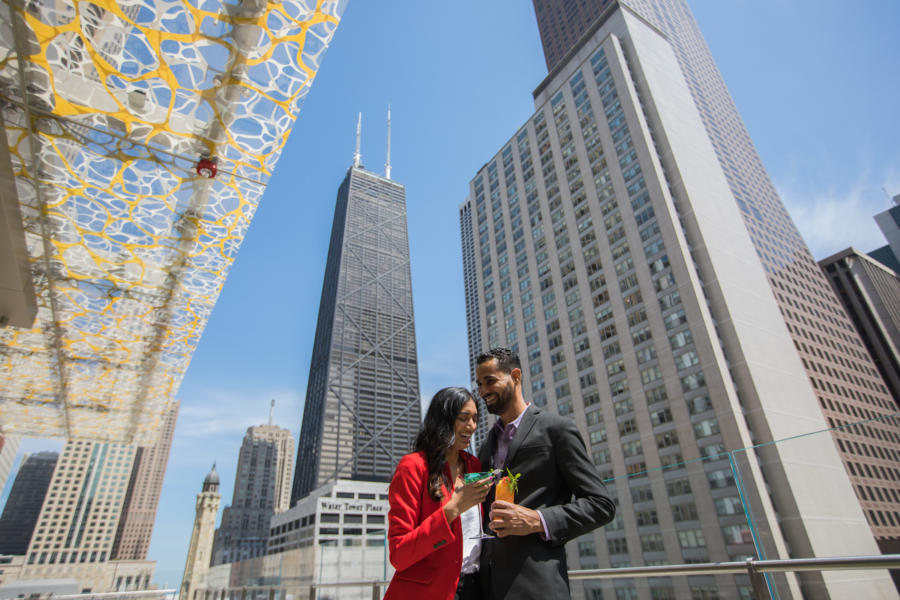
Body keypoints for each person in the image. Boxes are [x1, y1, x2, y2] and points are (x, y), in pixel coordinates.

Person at [476, 347, 616, 599]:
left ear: (515, 376)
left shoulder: (557, 429)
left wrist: (537, 520)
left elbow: (601, 505)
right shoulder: (486, 445)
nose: (483, 391)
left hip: (539, 587)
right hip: (488, 589)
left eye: (490, 381)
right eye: (479, 384)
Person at [384, 386, 492, 600]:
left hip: (475, 588)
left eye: (475, 418)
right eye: (464, 418)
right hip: (427, 593)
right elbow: (399, 554)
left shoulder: (474, 465)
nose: (472, 426)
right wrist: (452, 510)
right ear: (443, 420)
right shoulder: (413, 467)